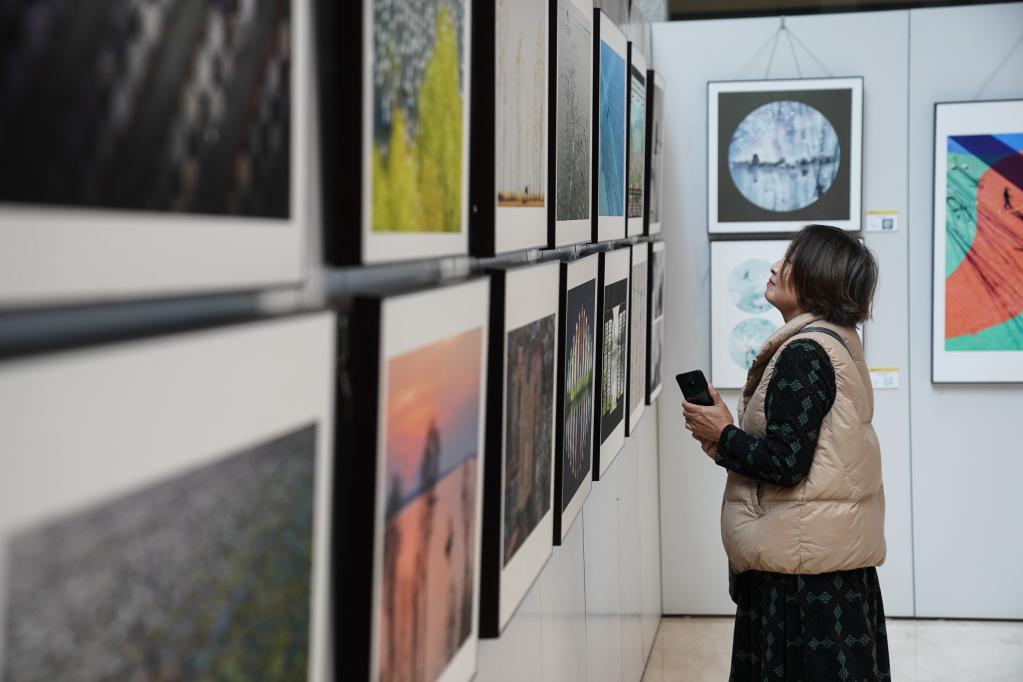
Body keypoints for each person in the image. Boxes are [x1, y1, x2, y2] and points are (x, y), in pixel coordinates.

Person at [683, 224, 890, 681]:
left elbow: (786, 463)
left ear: (819, 277)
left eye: (791, 261)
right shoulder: (837, 341)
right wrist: (724, 439)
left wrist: (726, 435)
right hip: (824, 561)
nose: (776, 266)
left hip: (802, 578)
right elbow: (805, 452)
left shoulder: (804, 353)